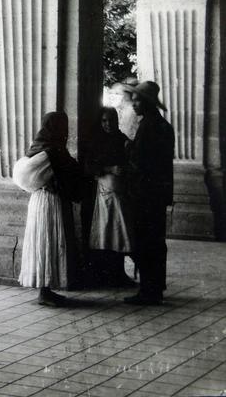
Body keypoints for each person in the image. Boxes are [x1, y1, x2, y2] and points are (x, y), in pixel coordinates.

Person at [19, 111, 84, 307]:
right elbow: (71, 173)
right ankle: (44, 292)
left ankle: (46, 290)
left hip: (39, 200)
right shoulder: (53, 151)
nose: (65, 131)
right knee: (48, 241)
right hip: (49, 202)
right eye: (62, 126)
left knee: (45, 242)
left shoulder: (37, 147)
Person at [123, 81, 174, 306]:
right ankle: (155, 287)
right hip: (157, 195)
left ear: (146, 103)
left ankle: (148, 291)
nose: (134, 104)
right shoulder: (162, 125)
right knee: (156, 241)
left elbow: (141, 162)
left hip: (145, 195)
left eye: (137, 100)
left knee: (146, 241)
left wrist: (128, 150)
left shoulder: (149, 127)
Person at [86, 107, 134, 286]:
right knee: (105, 232)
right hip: (104, 193)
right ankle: (106, 274)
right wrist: (109, 169)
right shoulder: (96, 142)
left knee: (120, 232)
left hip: (120, 191)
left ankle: (119, 273)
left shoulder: (122, 139)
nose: (108, 124)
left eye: (111, 120)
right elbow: (89, 166)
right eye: (104, 121)